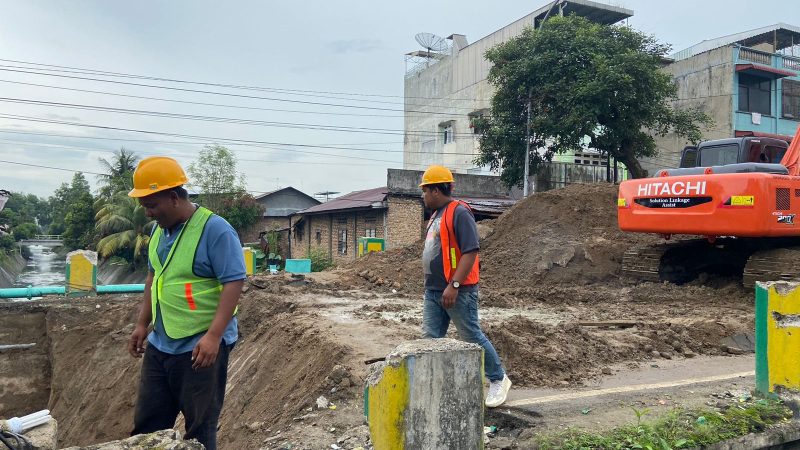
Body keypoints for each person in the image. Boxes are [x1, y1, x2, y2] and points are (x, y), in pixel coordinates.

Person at [126, 156, 245, 450]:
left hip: (199, 347)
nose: (149, 213)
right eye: (144, 206)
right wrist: (143, 324)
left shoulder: (215, 230)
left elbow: (234, 281)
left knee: (199, 430)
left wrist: (214, 336)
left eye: (152, 205)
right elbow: (154, 278)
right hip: (161, 343)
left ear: (174, 197)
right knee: (148, 426)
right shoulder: (158, 232)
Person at [419, 165, 512, 408]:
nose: (423, 196)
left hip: (457, 290)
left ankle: (498, 378)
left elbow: (471, 251)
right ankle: (434, 387)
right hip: (434, 291)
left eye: (425, 191)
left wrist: (455, 284)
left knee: (471, 336)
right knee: (430, 340)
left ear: (436, 190)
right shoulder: (435, 216)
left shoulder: (459, 212)